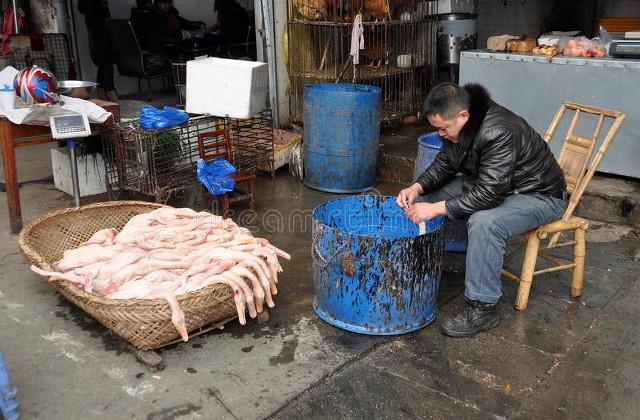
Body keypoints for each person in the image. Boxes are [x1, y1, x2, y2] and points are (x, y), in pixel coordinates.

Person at [396, 83, 566, 338]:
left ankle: (482, 308)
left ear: (463, 115)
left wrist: (436, 209)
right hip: (498, 186)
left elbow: (489, 194)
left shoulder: (498, 130)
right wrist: (417, 187)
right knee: (425, 198)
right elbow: (446, 163)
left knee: (485, 223)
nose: (441, 134)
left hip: (538, 196)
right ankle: (415, 266)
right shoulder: (462, 125)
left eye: (444, 128)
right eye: (437, 129)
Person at [78, 0, 117, 102]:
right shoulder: (94, 4)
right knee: (106, 62)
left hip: (97, 32)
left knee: (103, 63)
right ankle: (110, 91)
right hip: (100, 31)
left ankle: (102, 92)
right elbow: (103, 13)